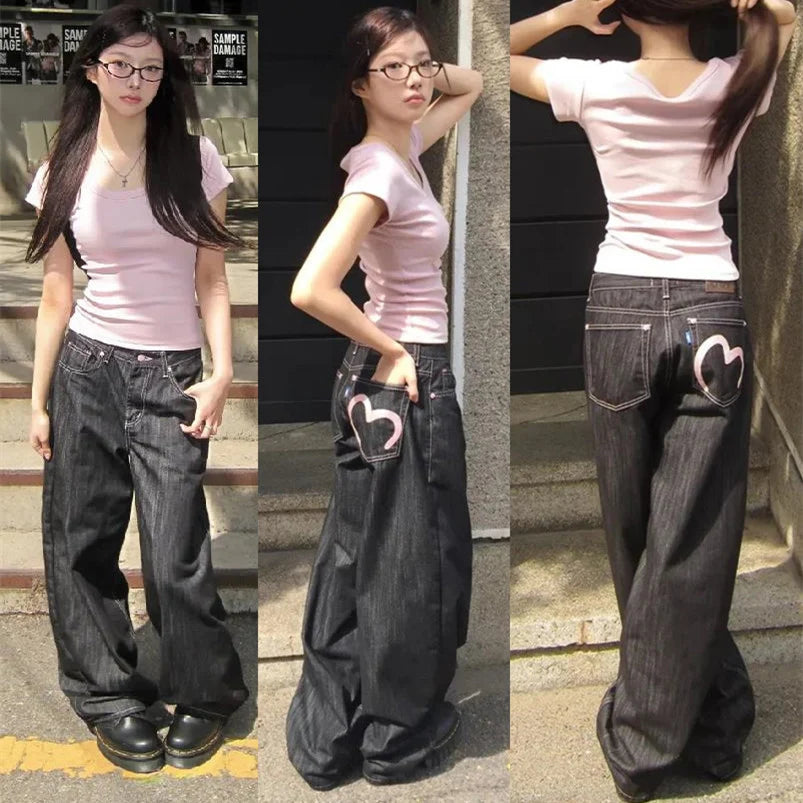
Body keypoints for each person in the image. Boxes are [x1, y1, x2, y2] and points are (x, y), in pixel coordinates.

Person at [510, 0, 796, 799]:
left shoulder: (590, 82)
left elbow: (483, 58)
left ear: (626, 10)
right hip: (713, 310)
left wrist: (566, 11)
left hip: (619, 311)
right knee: (695, 530)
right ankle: (705, 716)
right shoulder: (738, 78)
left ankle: (641, 741)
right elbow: (784, 17)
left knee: (633, 524)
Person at [25, 3, 250, 774]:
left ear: (165, 77)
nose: (135, 80)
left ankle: (206, 692)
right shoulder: (63, 164)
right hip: (86, 368)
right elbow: (59, 288)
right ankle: (109, 695)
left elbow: (211, 277)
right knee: (80, 540)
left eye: (150, 67)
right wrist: (38, 397)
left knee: (174, 547)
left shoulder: (196, 157)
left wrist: (220, 372)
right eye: (120, 65)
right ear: (91, 70)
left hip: (171, 373)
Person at [285, 5, 483, 791]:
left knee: (352, 558)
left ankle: (328, 736)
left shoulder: (402, 146)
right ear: (357, 83)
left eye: (420, 64)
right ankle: (397, 742)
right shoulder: (379, 169)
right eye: (392, 68)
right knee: (414, 569)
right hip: (407, 381)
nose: (415, 79)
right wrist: (397, 348)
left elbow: (470, 86)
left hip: (371, 387)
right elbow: (309, 287)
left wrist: (424, 69)